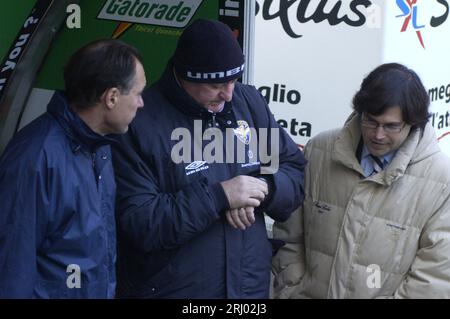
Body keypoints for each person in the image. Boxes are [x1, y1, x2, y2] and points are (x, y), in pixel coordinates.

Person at [112, 19, 306, 298]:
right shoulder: (141, 122)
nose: (228, 93)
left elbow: (294, 170)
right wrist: (219, 197)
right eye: (216, 84)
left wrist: (261, 187)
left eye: (233, 80)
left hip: (247, 290)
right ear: (184, 77)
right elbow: (141, 222)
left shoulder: (247, 102)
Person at [272, 63, 450, 299]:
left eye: (391, 126)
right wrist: (293, 289)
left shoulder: (440, 180)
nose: (377, 135)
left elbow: (434, 276)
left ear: (413, 123)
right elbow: (289, 235)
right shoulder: (319, 151)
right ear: (360, 112)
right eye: (371, 121)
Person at [0, 39, 146, 298]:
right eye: (137, 93)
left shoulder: (100, 146)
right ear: (111, 97)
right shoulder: (35, 156)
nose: (141, 103)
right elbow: (12, 266)